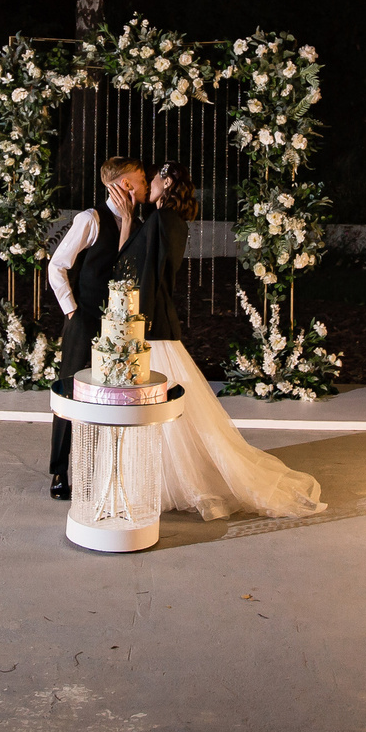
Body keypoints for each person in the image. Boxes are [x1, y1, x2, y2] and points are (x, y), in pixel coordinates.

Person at [138, 160, 325, 521]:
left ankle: (172, 478)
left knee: (160, 404)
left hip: (153, 324)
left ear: (168, 182)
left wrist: (137, 320)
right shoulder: (172, 220)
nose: (149, 184)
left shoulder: (162, 219)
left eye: (154, 179)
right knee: (170, 407)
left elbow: (152, 275)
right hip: (159, 320)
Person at [46, 157, 153, 500]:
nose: (146, 185)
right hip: (86, 318)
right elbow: (57, 265)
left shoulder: (139, 223)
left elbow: (125, 270)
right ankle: (60, 471)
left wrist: (128, 226)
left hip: (120, 327)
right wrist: (72, 311)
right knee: (70, 392)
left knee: (114, 396)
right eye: (141, 180)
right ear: (125, 184)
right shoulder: (90, 219)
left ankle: (107, 470)